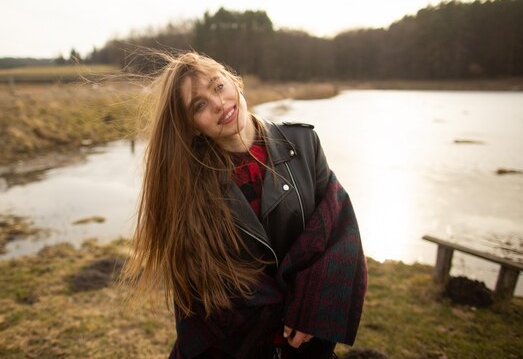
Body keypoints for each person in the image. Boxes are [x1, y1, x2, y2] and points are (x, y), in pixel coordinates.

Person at [124, 51, 367, 359]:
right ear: (193, 126)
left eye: (218, 86)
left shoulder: (304, 143)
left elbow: (337, 227)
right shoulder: (190, 186)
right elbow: (199, 279)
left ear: (234, 81)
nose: (218, 103)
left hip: (305, 342)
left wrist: (312, 307)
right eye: (199, 105)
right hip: (237, 346)